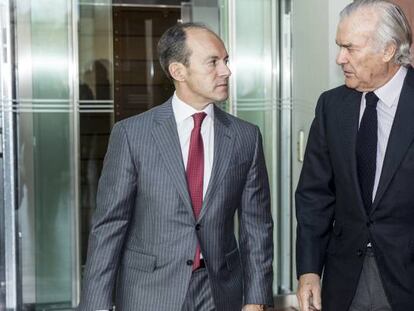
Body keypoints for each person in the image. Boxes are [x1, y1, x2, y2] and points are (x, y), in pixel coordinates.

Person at [78, 22, 273, 311]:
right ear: (178, 71)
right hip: (149, 292)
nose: (226, 71)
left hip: (220, 291)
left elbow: (257, 226)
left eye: (226, 61)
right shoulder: (133, 135)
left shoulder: (246, 137)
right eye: (213, 62)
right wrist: (96, 304)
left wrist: (256, 298)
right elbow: (109, 225)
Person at [295, 1, 413, 311]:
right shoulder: (332, 106)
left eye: (350, 48)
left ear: (388, 50)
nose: (340, 58)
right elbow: (314, 195)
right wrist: (308, 270)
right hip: (345, 278)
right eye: (339, 46)